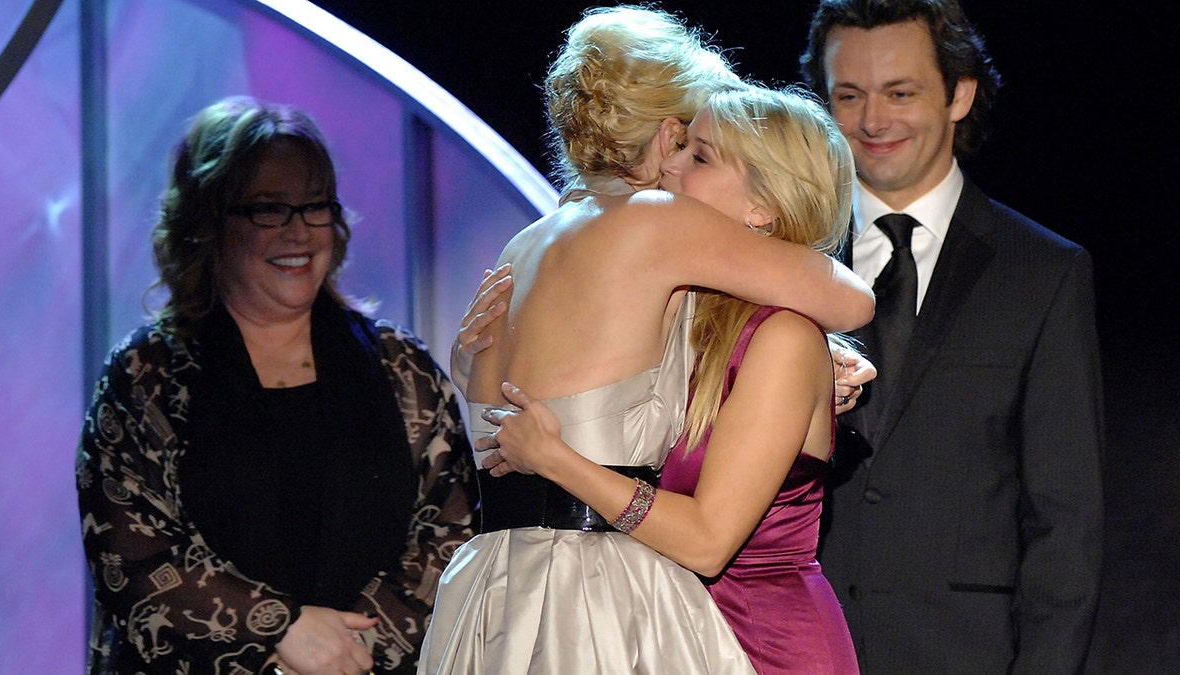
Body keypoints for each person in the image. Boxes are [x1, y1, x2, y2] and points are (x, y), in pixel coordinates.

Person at [417, 7, 875, 674]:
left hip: (492, 589)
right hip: (592, 595)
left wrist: (812, 353)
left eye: (704, 153)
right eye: (688, 144)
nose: (683, 167)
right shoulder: (654, 227)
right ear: (665, 136)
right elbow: (853, 296)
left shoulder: (535, 238)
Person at [76, 96, 478, 675]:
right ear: (208, 224)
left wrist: (345, 652)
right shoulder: (146, 374)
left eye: (315, 207)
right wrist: (281, 632)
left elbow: (451, 535)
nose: (299, 232)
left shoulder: (400, 365)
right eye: (270, 210)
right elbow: (132, 558)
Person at [798, 1, 1104, 671]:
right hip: (796, 646)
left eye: (900, 93)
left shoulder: (1044, 273)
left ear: (959, 93)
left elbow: (1066, 523)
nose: (874, 121)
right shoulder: (781, 263)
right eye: (849, 95)